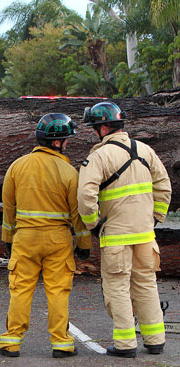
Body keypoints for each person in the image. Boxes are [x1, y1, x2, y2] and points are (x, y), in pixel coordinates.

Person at [78, 101, 171, 358]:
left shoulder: (98, 157)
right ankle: (155, 340)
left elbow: (86, 195)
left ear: (104, 127)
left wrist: (91, 223)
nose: (95, 132)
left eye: (95, 127)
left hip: (117, 236)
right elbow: (164, 185)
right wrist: (155, 217)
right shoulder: (145, 150)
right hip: (145, 235)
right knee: (146, 285)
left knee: (117, 288)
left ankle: (125, 344)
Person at [0, 113, 92, 358]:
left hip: (25, 238)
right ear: (58, 142)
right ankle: (62, 343)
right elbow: (77, 213)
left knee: (20, 289)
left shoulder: (17, 166)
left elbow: (8, 209)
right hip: (58, 239)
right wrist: (83, 243)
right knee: (58, 290)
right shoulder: (69, 172)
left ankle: (11, 341)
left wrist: (7, 240)